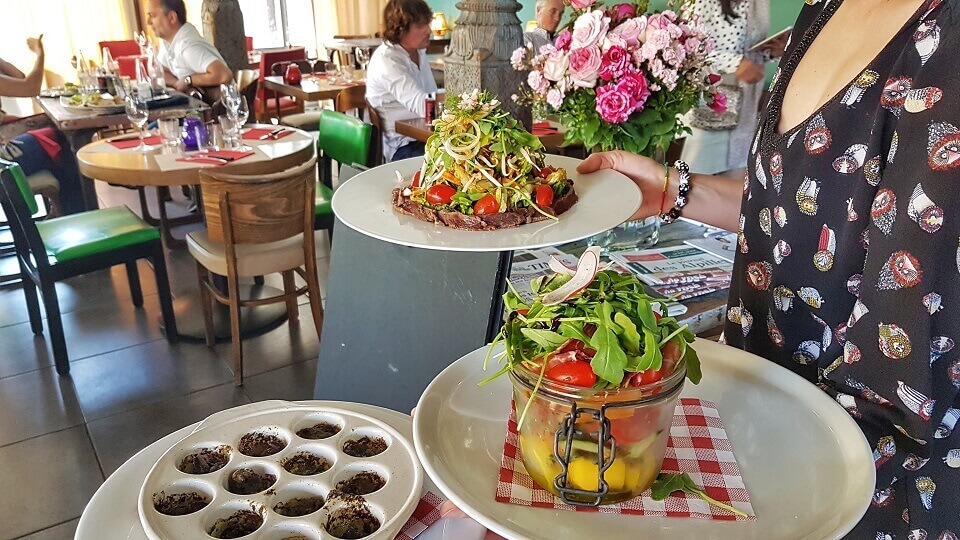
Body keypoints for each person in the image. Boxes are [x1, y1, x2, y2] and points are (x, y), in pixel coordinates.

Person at [579, 0, 960, 536]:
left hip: (853, 493)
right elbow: (792, 209)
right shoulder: (823, 8)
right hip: (755, 436)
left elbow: (904, 376)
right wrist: (672, 189)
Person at [681, 0, 786, 178]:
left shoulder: (757, 3)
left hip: (745, 105)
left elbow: (749, 50)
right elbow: (689, 51)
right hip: (713, 100)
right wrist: (737, 64)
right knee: (695, 178)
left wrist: (771, 52)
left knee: (736, 177)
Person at [0, 35, 83, 215]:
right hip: (3, 159)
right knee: (58, 137)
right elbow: (30, 87)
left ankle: (62, 207)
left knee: (51, 126)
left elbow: (18, 77)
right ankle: (73, 210)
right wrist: (40, 54)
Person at [365, 0, 438, 162]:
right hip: (402, 147)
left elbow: (431, 97)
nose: (429, 30)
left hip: (424, 138)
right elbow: (425, 107)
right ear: (399, 30)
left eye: (428, 23)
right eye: (420, 25)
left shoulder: (419, 52)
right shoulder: (387, 60)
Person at [145, 0, 232, 102]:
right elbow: (160, 72)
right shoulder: (168, 42)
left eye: (152, 15)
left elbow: (224, 75)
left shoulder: (188, 47)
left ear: (172, 17)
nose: (148, 22)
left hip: (220, 111)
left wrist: (188, 80)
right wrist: (178, 83)